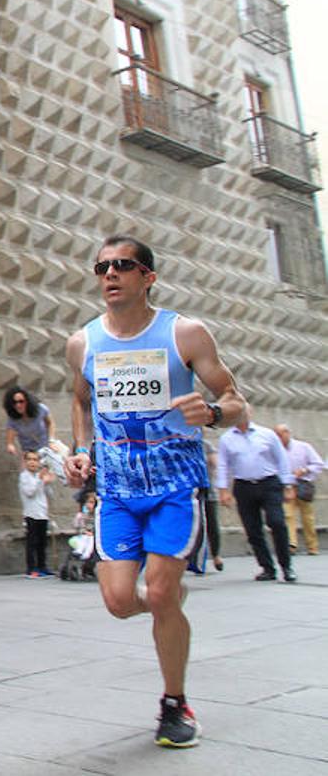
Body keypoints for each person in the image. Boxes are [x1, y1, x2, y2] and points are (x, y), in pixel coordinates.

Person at [65, 234, 246, 749]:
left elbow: (235, 401)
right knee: (121, 601)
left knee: (161, 593)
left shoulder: (184, 334)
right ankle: (169, 601)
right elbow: (80, 400)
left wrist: (211, 413)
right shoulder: (83, 342)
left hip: (175, 486)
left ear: (148, 276)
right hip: (118, 490)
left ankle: (175, 703)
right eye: (102, 267)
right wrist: (81, 449)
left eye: (123, 266)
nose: (109, 275)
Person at [214, 407, 295, 583]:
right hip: (243, 486)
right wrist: (223, 490)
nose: (243, 415)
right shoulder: (226, 439)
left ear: (250, 414)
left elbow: (281, 459)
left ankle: (286, 566)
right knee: (252, 529)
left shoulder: (266, 434)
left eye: (245, 412)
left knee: (277, 522)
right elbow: (223, 465)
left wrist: (287, 484)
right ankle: (267, 567)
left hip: (269, 483)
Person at [274, 424, 321, 555]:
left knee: (307, 517)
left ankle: (312, 546)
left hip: (303, 484)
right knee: (287, 515)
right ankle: (291, 544)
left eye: (281, 434)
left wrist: (305, 470)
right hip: (286, 485)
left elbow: (318, 464)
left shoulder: (303, 447)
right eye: (276, 434)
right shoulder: (275, 450)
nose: (279, 437)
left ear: (288, 433)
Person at [3, 386, 58, 471]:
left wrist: (52, 441)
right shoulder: (13, 419)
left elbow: (50, 423)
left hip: (45, 449)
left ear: (27, 401)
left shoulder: (40, 409)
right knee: (27, 479)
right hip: (29, 454)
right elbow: (10, 439)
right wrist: (10, 446)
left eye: (21, 401)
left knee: (47, 478)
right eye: (14, 402)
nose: (18, 405)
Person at [18, 449, 54, 578]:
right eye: (30, 460)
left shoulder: (39, 476)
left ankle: (42, 565)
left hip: (42, 513)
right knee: (32, 542)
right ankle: (31, 568)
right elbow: (30, 492)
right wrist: (40, 480)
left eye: (35, 460)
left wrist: (48, 482)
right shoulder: (24, 476)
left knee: (42, 542)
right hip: (31, 513)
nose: (33, 463)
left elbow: (49, 494)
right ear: (25, 462)